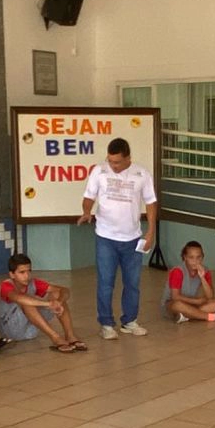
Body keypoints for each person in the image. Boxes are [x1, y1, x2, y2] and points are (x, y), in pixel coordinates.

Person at [78, 137, 157, 339]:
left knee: (132, 283)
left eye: (118, 162)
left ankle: (129, 321)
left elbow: (150, 203)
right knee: (106, 282)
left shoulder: (142, 174)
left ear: (128, 158)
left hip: (133, 238)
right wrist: (87, 211)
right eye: (110, 161)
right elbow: (89, 196)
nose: (113, 166)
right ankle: (106, 324)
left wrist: (150, 232)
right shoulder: (99, 171)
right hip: (105, 237)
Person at [0, 253, 86, 353]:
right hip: (11, 330)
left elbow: (64, 290)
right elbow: (20, 298)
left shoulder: (33, 282)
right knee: (27, 302)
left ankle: (70, 336)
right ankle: (56, 338)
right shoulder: (6, 285)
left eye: (29, 271)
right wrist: (49, 304)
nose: (27, 276)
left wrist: (59, 302)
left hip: (31, 329)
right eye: (22, 272)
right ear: (12, 274)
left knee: (56, 294)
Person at [163, 240, 215, 323]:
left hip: (190, 304)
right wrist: (196, 301)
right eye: (191, 257)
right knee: (178, 305)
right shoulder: (178, 271)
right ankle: (213, 317)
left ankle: (187, 316)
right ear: (185, 257)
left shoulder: (205, 270)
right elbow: (175, 297)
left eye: (198, 257)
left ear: (202, 257)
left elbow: (210, 296)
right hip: (172, 304)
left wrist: (202, 277)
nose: (195, 261)